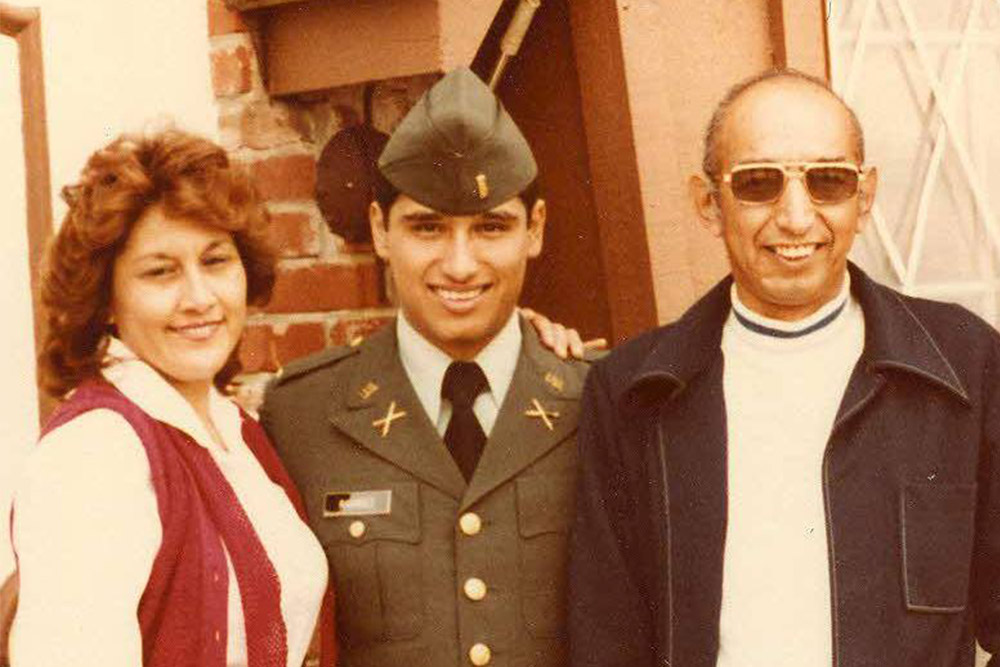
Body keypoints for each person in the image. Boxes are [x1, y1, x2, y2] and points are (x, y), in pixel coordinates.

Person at [569, 68, 1000, 667]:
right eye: (757, 184)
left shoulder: (967, 363)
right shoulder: (634, 390)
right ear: (708, 203)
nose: (796, 217)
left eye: (827, 182)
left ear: (865, 196)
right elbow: (605, 637)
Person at [261, 67, 594, 667]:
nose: (460, 264)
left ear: (535, 230)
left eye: (491, 227)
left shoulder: (599, 403)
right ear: (379, 232)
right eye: (427, 228)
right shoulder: (301, 416)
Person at [9, 130, 330, 667]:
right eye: (161, 272)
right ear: (106, 300)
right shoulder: (96, 452)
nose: (199, 299)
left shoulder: (236, 433)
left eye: (215, 262)